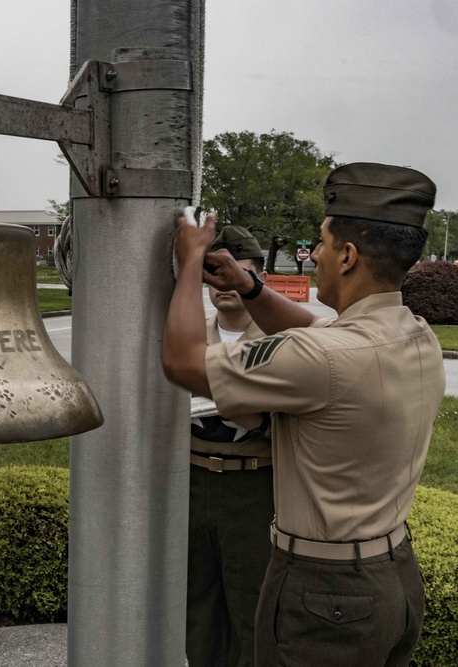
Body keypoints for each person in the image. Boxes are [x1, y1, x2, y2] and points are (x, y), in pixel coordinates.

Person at [162, 162, 444, 666]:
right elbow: (320, 339)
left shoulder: (329, 358)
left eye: (320, 243)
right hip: (390, 572)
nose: (312, 256)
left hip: (326, 593)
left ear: (348, 255)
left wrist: (189, 263)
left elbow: (183, 362)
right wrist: (251, 289)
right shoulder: (414, 332)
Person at [186, 226, 273, 667]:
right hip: (193, 481)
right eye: (217, 274)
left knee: (251, 605)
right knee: (197, 606)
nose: (226, 285)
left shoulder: (280, 341)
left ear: (258, 280)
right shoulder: (190, 337)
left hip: (253, 487)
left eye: (241, 273)